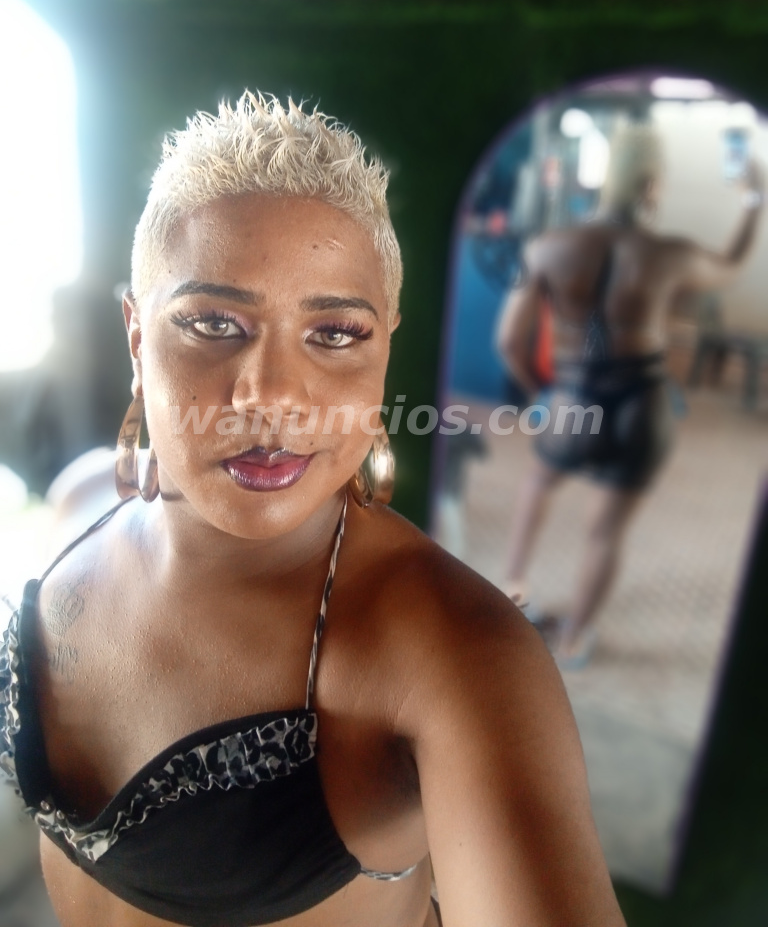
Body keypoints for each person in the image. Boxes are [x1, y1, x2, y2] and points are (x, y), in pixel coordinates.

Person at [1, 92, 626, 927]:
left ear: (386, 345)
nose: (272, 396)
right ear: (137, 336)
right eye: (213, 322)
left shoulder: (453, 652)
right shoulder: (79, 503)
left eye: (335, 334)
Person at [497, 124, 764, 667]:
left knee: (538, 484)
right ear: (650, 185)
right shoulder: (669, 253)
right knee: (606, 532)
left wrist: (541, 394)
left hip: (574, 398)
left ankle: (511, 599)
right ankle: (574, 640)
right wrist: (753, 201)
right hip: (642, 404)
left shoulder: (546, 248)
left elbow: (508, 341)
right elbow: (732, 267)